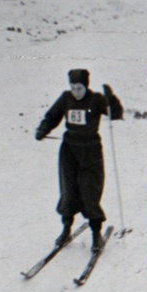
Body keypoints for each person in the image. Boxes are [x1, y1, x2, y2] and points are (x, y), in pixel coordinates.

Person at [35, 69, 123, 253]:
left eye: (79, 88)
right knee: (68, 191)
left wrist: (111, 99)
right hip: (69, 150)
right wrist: (43, 128)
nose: (76, 92)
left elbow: (115, 113)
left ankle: (96, 233)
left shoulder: (96, 99)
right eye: (73, 88)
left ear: (86, 86)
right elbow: (53, 116)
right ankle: (66, 229)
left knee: (89, 191)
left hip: (90, 151)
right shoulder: (66, 98)